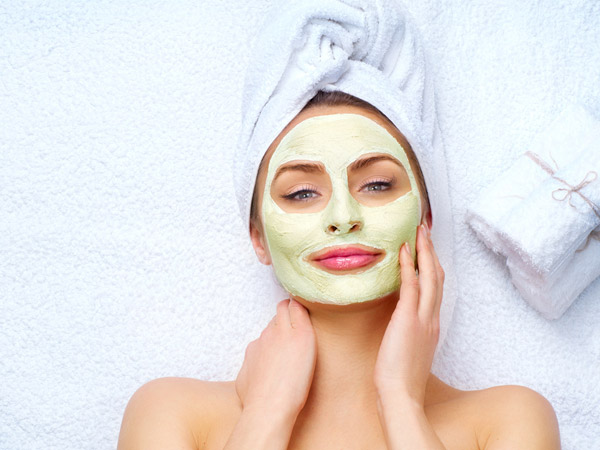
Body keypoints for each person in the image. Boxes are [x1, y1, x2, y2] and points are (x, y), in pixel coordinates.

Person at [117, 90, 561, 449]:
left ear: (425, 219)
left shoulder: (508, 421)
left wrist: (400, 400)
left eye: (377, 185)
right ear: (259, 238)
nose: (343, 217)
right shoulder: (172, 413)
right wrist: (267, 413)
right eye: (301, 193)